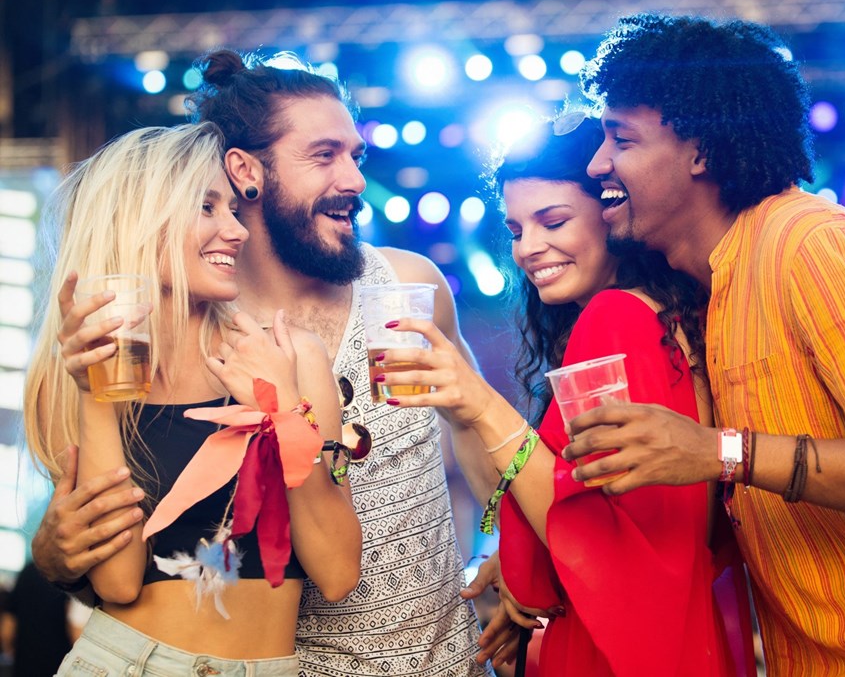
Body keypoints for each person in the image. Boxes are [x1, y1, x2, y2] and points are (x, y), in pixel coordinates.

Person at [556, 13, 845, 675]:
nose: (597, 161)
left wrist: (720, 451)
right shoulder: (716, 288)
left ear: (700, 152)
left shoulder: (811, 245)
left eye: (620, 137)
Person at [31, 50, 508, 675]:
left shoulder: (403, 286)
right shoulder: (167, 340)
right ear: (246, 172)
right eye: (324, 154)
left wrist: (512, 547)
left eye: (355, 156)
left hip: (440, 655)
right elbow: (115, 565)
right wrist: (53, 555)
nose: (356, 179)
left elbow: (472, 426)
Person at [369, 113, 751, 676]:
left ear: (611, 211)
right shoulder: (663, 315)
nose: (529, 248)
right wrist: (521, 553)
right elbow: (623, 515)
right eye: (518, 230)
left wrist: (480, 403)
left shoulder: (614, 319)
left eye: (553, 221)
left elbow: (606, 546)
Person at [22, 122, 361, 675]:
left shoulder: (292, 356)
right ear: (137, 221)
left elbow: (338, 571)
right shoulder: (66, 382)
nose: (236, 230)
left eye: (230, 208)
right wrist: (94, 394)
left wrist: (284, 410)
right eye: (207, 208)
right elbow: (119, 581)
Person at [1, 561, 83, 677]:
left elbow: (9, 622)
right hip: (59, 662)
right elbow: (74, 625)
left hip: (26, 661)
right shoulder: (73, 574)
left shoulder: (29, 570)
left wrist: (9, 650)